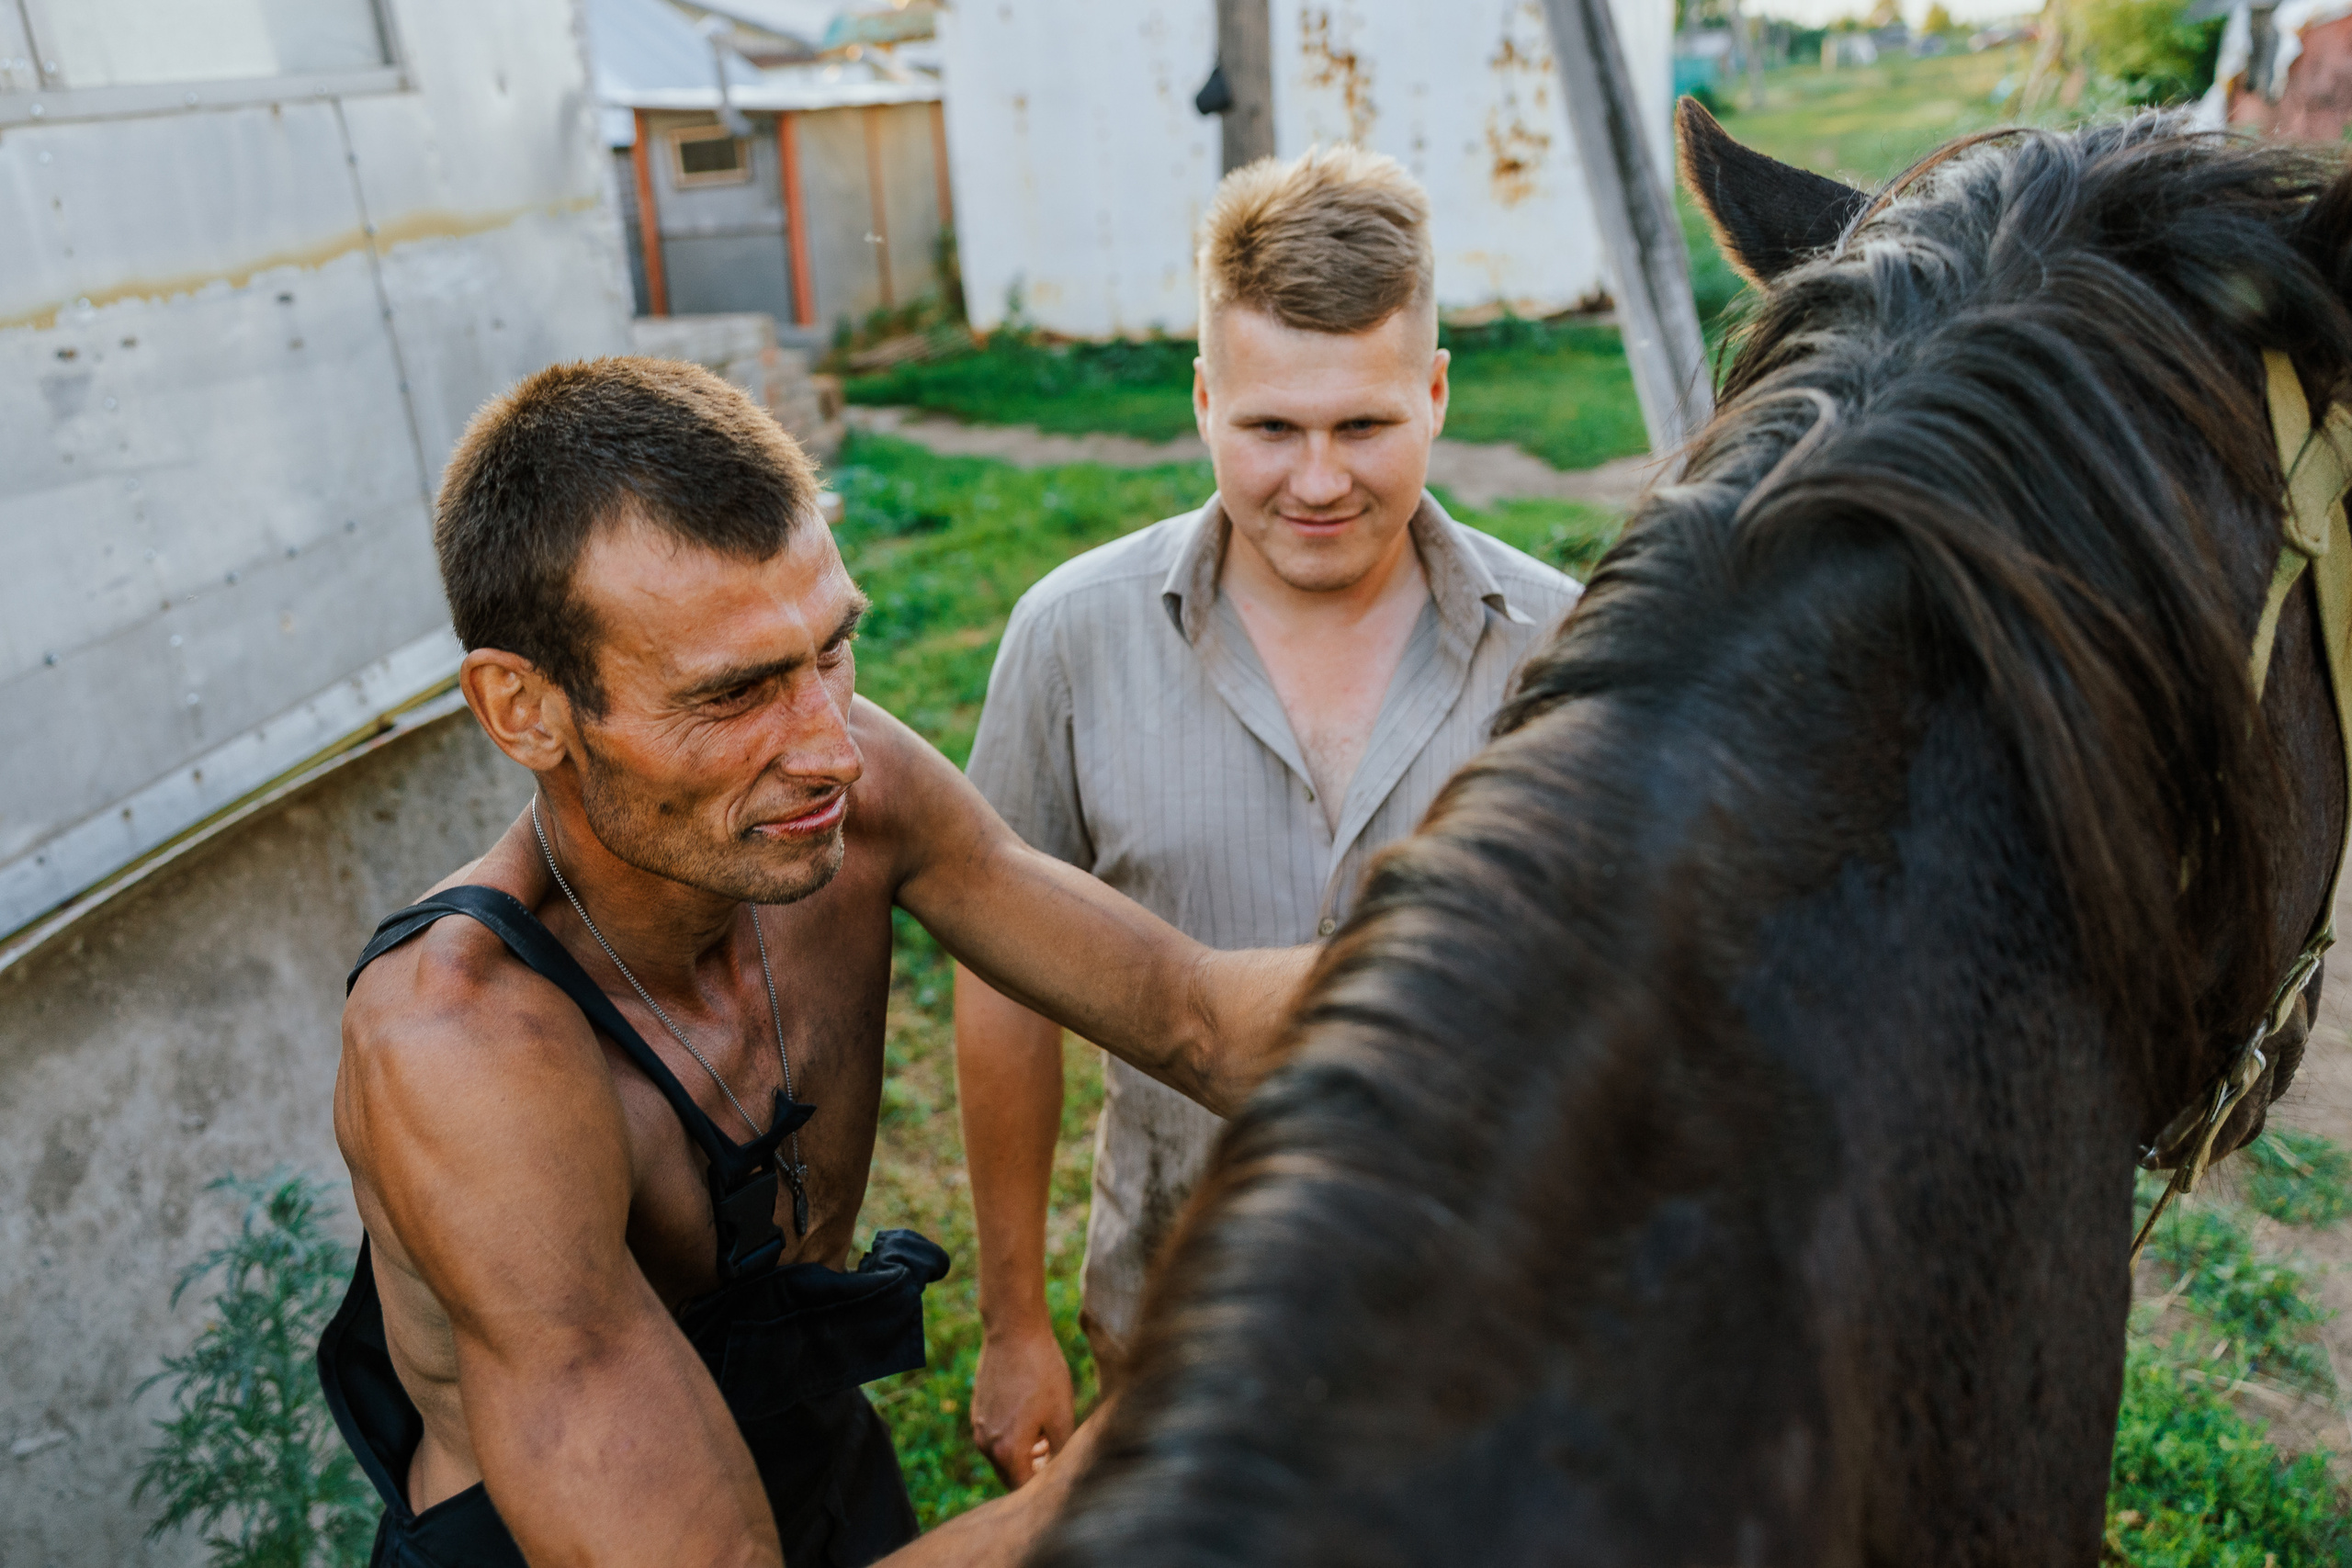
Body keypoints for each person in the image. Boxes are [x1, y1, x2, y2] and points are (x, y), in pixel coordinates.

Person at [322, 356, 1309, 1568]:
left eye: (831, 651)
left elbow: (1194, 1012)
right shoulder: (464, 1048)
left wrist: (1501, 943)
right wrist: (1193, 1432)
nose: (833, 750)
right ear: (524, 709)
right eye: (735, 692)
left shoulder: (843, 789)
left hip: (815, 1451)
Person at [954, 144, 1584, 1485]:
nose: (1318, 481)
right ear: (1202, 400)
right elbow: (1002, 986)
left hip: (1492, 1330)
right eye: (1271, 429)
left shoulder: (1570, 648)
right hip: (1176, 1325)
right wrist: (1012, 1323)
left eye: (1364, 426)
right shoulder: (1068, 640)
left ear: (1436, 392)